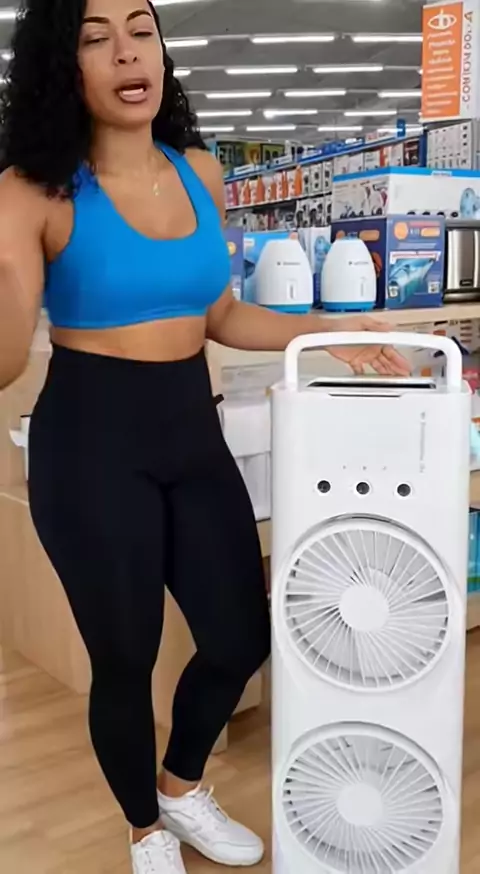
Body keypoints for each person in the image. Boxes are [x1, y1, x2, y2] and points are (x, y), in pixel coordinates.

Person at [0, 1, 410, 871]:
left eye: (140, 30)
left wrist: (329, 335)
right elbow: (3, 357)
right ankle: (143, 828)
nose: (126, 53)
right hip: (90, 445)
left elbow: (219, 312)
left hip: (190, 428)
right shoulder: (34, 190)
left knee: (237, 636)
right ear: (62, 66)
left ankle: (181, 787)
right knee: (125, 657)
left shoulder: (198, 171)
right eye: (95, 38)